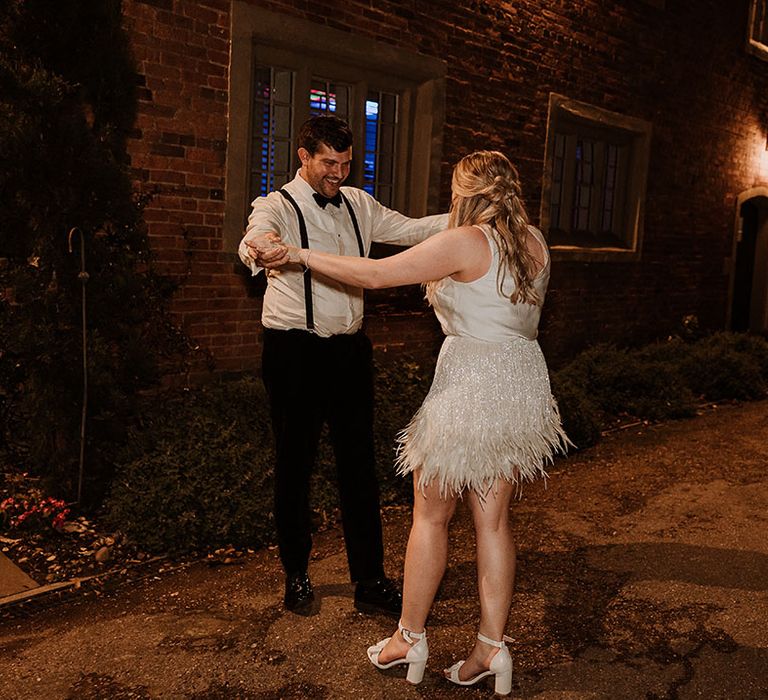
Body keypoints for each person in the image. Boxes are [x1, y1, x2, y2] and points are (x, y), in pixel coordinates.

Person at [271, 150, 571, 694]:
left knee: (430, 517)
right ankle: (490, 649)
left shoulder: (466, 241)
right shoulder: (533, 241)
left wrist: (298, 254)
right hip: (521, 382)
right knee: (494, 522)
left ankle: (408, 639)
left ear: (464, 191)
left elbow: (379, 274)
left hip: (472, 384)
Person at [238, 115, 448, 616]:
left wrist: (474, 215)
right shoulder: (276, 205)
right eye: (329, 163)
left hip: (350, 352)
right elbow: (255, 238)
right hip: (295, 351)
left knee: (359, 468)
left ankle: (370, 581)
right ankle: (297, 574)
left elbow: (412, 230)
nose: (339, 173)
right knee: (295, 464)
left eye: (347, 163)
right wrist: (261, 248)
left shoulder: (358, 204)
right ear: (304, 157)